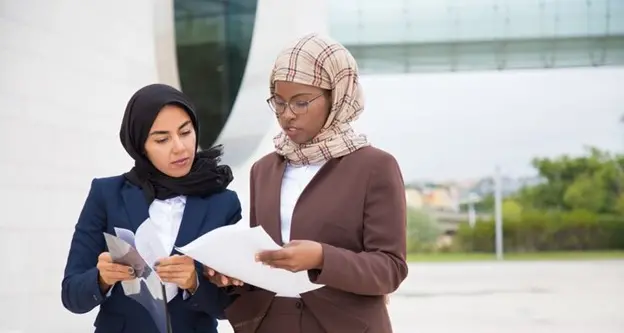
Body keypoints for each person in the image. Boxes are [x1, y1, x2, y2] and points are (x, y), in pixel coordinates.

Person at [204, 33, 408, 333]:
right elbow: (265, 263)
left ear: (335, 97)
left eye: (301, 103)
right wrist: (231, 272)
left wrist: (321, 257)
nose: (287, 115)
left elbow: (390, 269)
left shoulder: (375, 167)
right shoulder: (264, 170)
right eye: (279, 101)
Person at [61, 83, 242, 333]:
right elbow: (71, 295)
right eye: (162, 139)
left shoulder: (223, 204)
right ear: (140, 145)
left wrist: (194, 282)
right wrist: (101, 278)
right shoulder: (107, 194)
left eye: (185, 132)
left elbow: (234, 305)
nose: (179, 147)